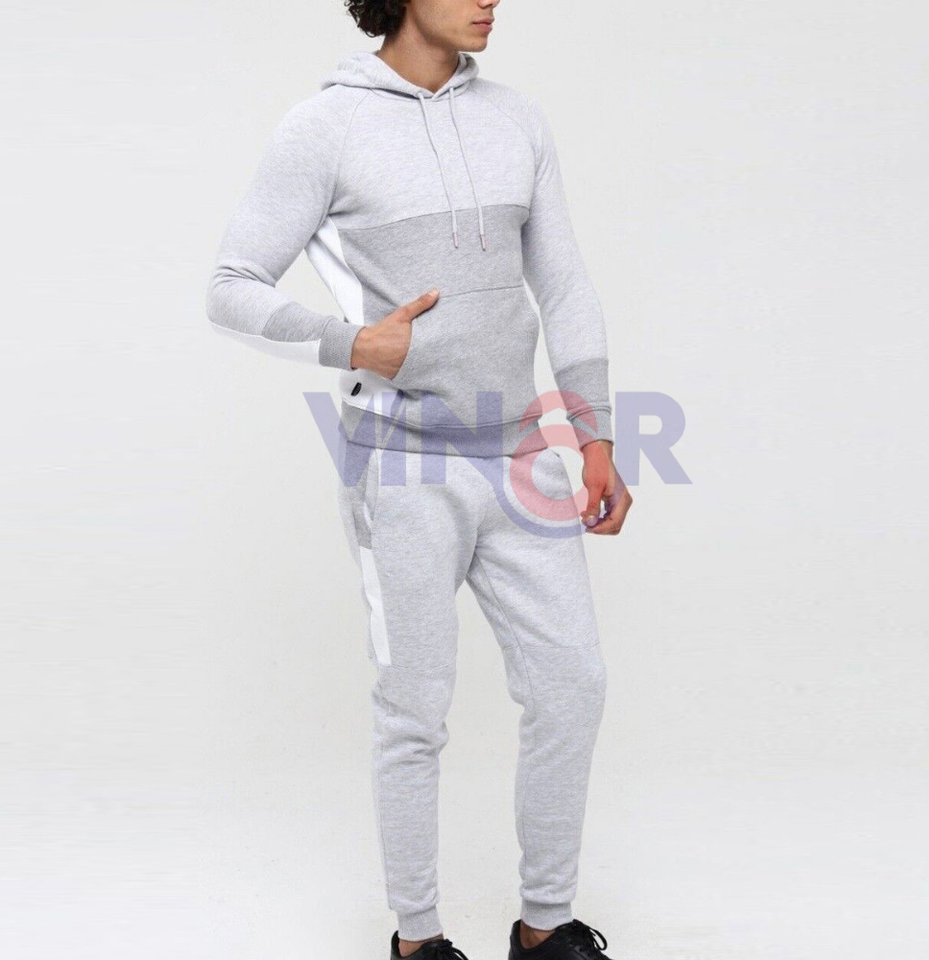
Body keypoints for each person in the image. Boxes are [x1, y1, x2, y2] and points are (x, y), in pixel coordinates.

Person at [205, 1, 633, 957]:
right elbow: (229, 285)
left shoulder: (516, 118)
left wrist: (595, 431)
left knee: (573, 685)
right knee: (415, 710)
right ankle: (418, 940)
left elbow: (564, 281)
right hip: (400, 467)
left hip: (522, 455)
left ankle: (544, 928)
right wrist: (350, 342)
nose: (490, 0)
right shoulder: (325, 126)